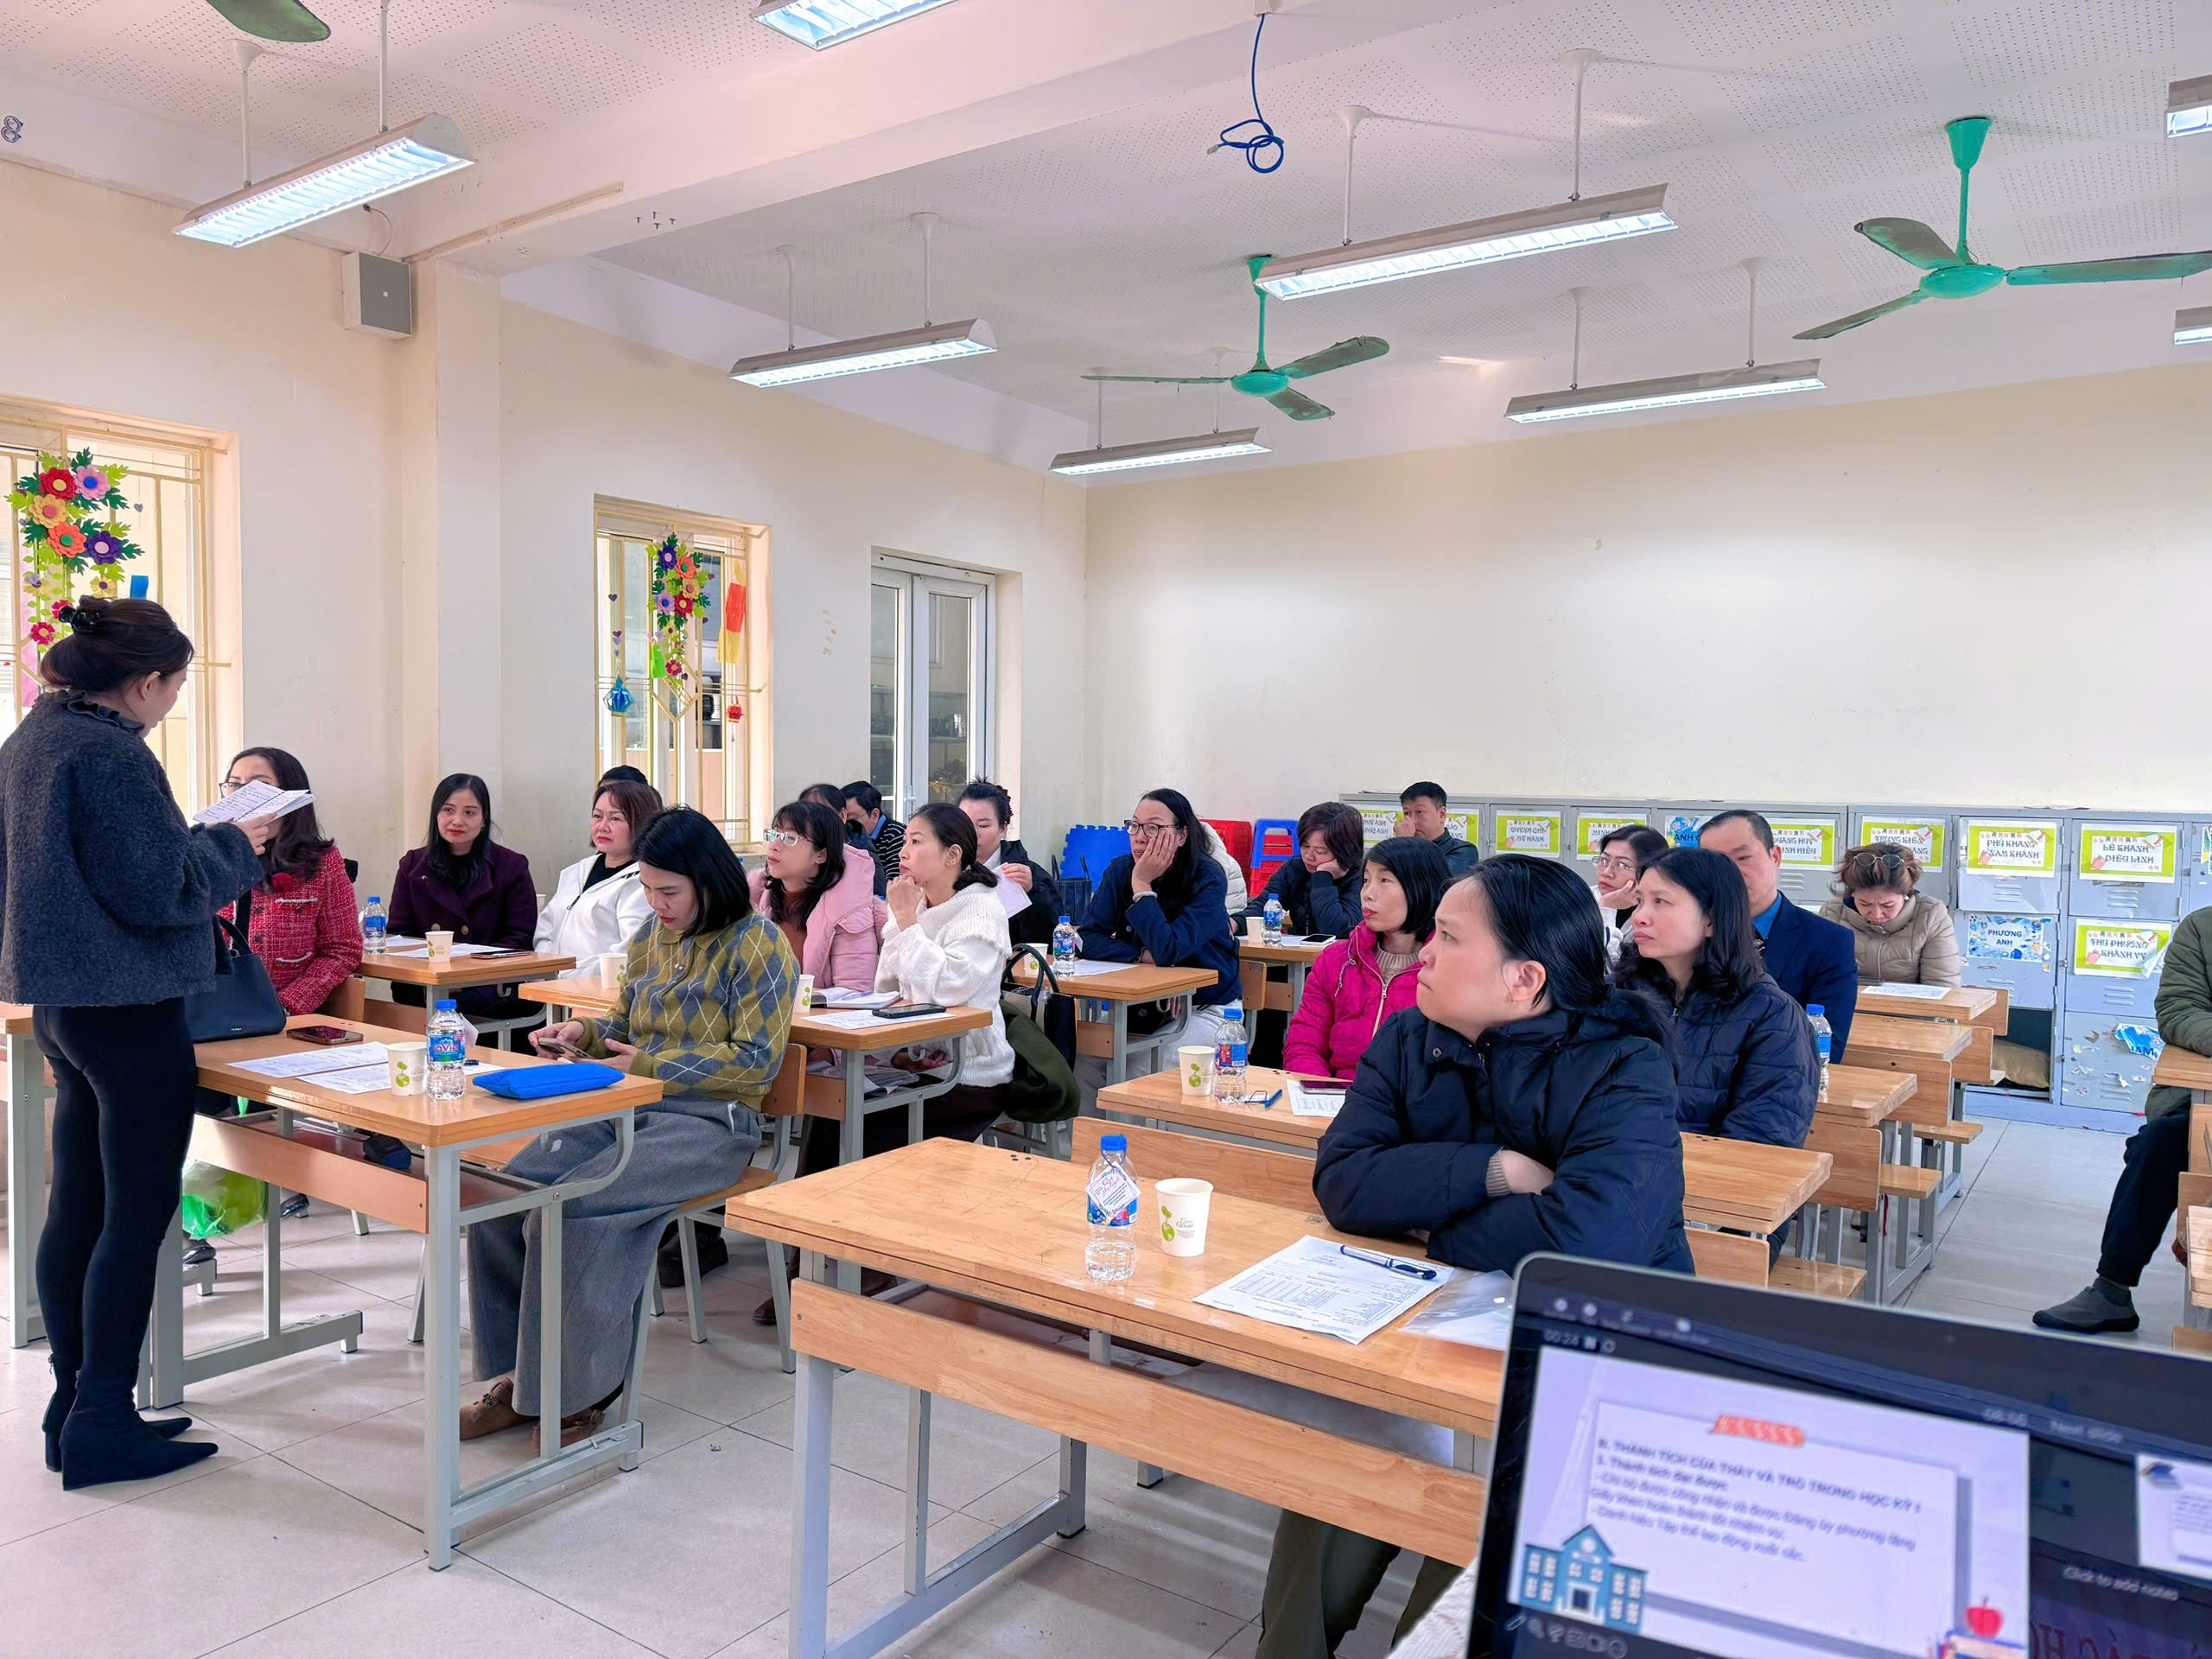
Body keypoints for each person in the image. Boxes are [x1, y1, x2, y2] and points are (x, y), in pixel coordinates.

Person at [1258, 855, 1692, 1656]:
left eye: (1449, 937)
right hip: (1425, 1335)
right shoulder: (1409, 1037)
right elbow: (1344, 1180)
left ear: (1524, 979)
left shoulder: (1623, 1061)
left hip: (1587, 1362)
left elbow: (1589, 1239)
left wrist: (1438, 1229)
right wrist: (1489, 1173)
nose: (1423, 952)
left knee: (1487, 1522)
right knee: (1337, 1467)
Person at [0, 598, 275, 1488]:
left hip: (65, 1006)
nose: (173, 702)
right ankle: (104, 1416)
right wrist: (238, 841)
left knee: (76, 1205)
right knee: (134, 1213)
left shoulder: (30, 742)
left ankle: (72, 1403)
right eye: (176, 686)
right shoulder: (109, 756)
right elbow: (162, 890)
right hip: (129, 1007)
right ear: (145, 682)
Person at [467, 808, 797, 1446]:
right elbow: (623, 1026)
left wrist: (645, 1065)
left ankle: (579, 1391)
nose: (656, 902)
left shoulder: (758, 944)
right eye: (647, 888)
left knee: (572, 1210)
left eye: (669, 891)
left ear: (709, 879)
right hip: (628, 1104)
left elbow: (757, 1059)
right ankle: (522, 1381)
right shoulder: (651, 936)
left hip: (712, 1123)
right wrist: (582, 1034)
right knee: (506, 1199)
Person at [723, 798, 885, 1309]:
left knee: (826, 1114)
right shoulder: (754, 899)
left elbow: (856, 996)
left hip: (826, 1050)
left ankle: (805, 1264)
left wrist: (799, 1008)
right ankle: (695, 1234)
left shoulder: (855, 909)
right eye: (774, 833)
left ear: (821, 857)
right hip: (759, 1040)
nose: (775, 844)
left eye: (790, 838)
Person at [2035, 899, 2212, 1334]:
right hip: (2204, 1097)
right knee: (2159, 1146)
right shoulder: (2202, 928)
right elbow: (2178, 1010)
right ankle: (2111, 1289)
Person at [214, 745, 365, 1230]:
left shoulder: (322, 863)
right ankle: (207, 1213)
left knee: (257, 1086)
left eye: (258, 786)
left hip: (285, 1022)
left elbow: (343, 949)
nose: (243, 796)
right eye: (234, 785)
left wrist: (287, 1005)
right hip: (212, 1018)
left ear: (292, 799)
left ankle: (269, 1181)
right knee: (188, 1094)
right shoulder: (208, 857)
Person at [1614, 848, 1819, 1149]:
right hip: (1610, 1174)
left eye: (1661, 902)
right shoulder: (1618, 995)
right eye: (1640, 901)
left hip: (1707, 1184)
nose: (1640, 917)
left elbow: (1761, 1141)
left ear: (1711, 919)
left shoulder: (1772, 1014)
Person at [1076, 787, 1243, 1068]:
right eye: (1134, 826)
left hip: (1205, 1009)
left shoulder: (1208, 877)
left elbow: (1169, 950)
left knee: (1139, 1068)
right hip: (1140, 1005)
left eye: (1153, 827)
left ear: (1181, 835)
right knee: (1085, 1062)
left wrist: (1141, 885)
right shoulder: (1120, 870)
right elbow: (1086, 938)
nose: (1140, 836)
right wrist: (1141, 954)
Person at [1281, 836, 1448, 1080]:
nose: (1367, 894)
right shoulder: (1336, 960)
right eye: (1366, 880)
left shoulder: (1449, 970)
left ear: (1421, 887)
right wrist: (1321, 1091)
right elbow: (1303, 1045)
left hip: (1411, 1108)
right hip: (1335, 1100)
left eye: (1384, 880)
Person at [1697, 809, 1857, 1058]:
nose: (1731, 873)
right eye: (1718, 863)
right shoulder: (1689, 932)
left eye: (1743, 858)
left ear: (1776, 856)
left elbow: (1825, 1048)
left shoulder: (1829, 942)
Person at [387, 773, 537, 1017]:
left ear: (484, 819)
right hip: (424, 985)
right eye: (448, 810)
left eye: (469, 813)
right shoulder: (413, 865)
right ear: (436, 814)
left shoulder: (511, 866)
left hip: (488, 987)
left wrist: (468, 974)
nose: (457, 821)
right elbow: (398, 936)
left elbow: (519, 938)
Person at [535, 776, 663, 969]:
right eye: (597, 816)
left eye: (615, 818)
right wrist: (547, 968)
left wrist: (567, 975)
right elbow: (545, 930)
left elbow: (628, 953)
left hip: (595, 989)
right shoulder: (576, 872)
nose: (602, 826)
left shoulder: (642, 882)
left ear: (641, 823)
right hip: (551, 987)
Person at [1820, 842, 1961, 988]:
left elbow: (1942, 987)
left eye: (1887, 905)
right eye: (1865, 904)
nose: (1876, 914)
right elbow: (1817, 977)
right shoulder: (1833, 913)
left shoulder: (1931, 915)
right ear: (1852, 894)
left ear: (1906, 894)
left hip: (1910, 1007)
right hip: (1844, 1005)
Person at [957, 778, 1060, 950]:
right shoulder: (943, 870)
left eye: (983, 825)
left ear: (1003, 828)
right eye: (965, 823)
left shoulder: (1029, 874)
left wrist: (1033, 893)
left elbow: (1052, 938)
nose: (972, 833)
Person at [1244, 802, 1364, 938]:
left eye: (1320, 851)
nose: (1308, 856)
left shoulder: (1362, 878)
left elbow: (1339, 931)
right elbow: (1263, 905)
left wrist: (1322, 878)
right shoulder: (1295, 867)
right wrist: (1235, 923)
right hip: (1299, 955)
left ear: (1344, 851)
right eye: (1305, 846)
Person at [1591, 823, 1669, 963]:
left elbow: (1615, 971)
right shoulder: (1579, 900)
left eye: (1622, 865)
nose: (1606, 872)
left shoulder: (1659, 915)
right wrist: (1606, 908)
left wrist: (1606, 910)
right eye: (1604, 860)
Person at [1392, 780, 1480, 875]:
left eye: (1420, 812)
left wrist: (1405, 845)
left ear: (1442, 814)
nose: (1412, 820)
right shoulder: (1395, 850)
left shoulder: (1463, 851)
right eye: (1406, 813)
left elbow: (1430, 880)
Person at [841, 780, 904, 895]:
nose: (845, 825)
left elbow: (893, 887)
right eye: (841, 818)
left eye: (850, 819)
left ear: (874, 815)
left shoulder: (897, 836)